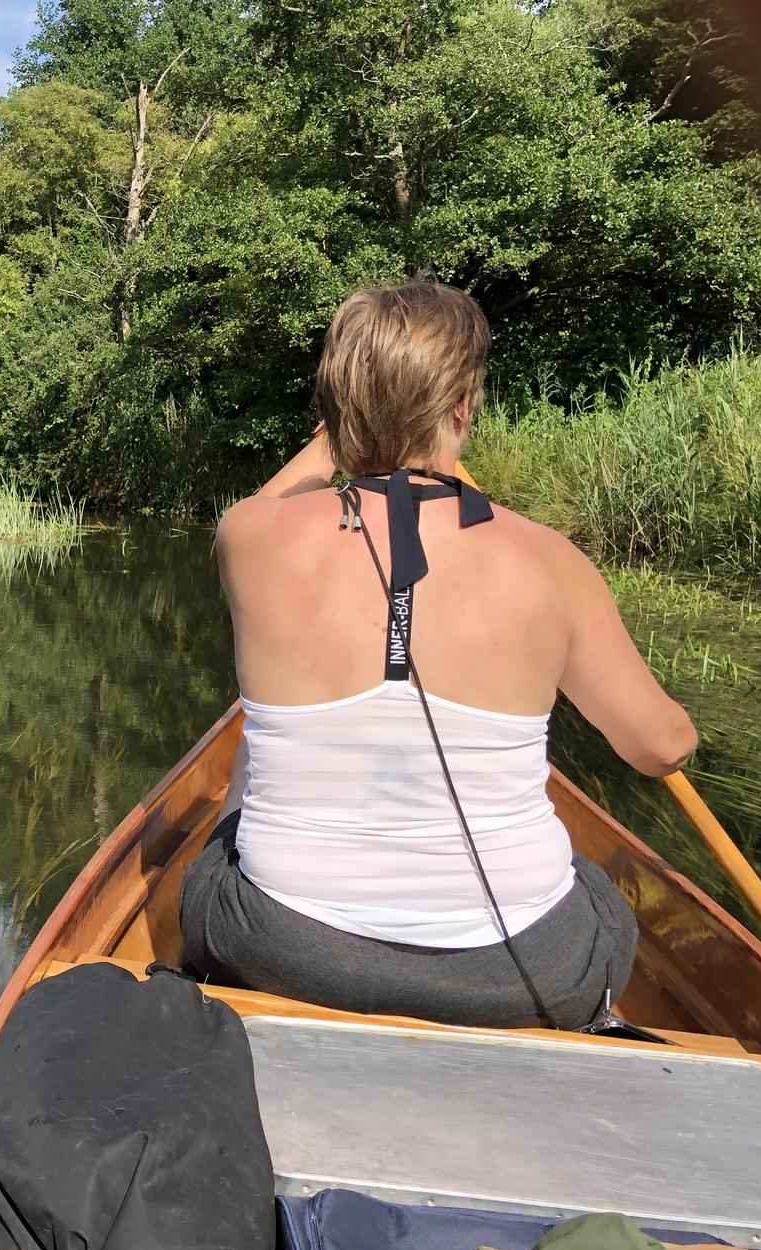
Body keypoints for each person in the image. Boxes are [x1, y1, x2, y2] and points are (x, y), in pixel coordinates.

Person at [180, 281, 697, 1029]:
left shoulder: (249, 538)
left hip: (286, 949)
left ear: (336, 408)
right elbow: (660, 747)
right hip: (524, 973)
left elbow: (274, 499)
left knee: (219, 838)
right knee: (600, 898)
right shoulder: (552, 562)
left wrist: (348, 432)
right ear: (463, 407)